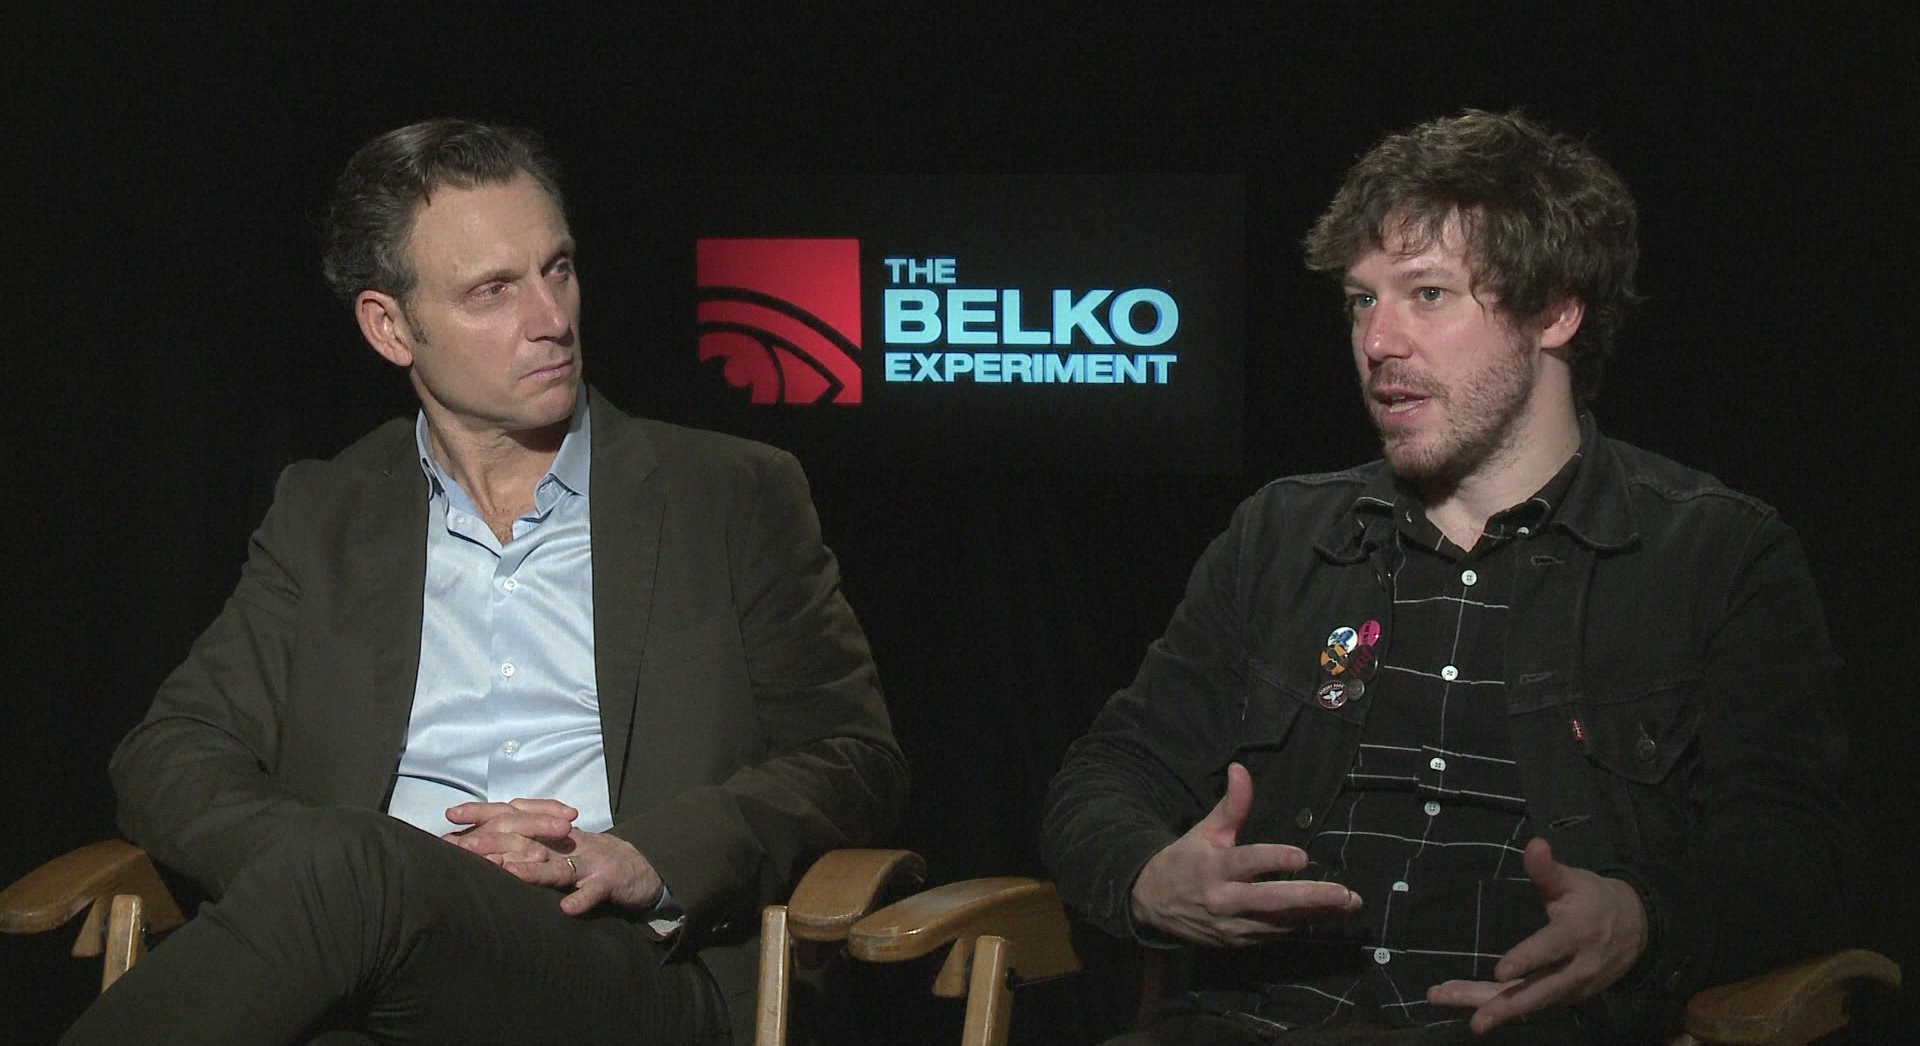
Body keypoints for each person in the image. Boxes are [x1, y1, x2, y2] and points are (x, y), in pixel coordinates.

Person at [63, 119, 907, 1045]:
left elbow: (853, 758)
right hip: (359, 968)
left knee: (358, 880)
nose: (552, 319)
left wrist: (645, 858)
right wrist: (374, 871)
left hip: (628, 972)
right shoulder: (328, 512)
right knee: (355, 895)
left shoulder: (730, 494)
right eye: (493, 291)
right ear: (391, 328)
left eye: (558, 269)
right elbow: (169, 754)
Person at [1041, 110, 1848, 1044]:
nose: (1378, 341)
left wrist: (1642, 920)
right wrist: (1149, 878)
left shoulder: (1714, 555)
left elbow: (1795, 850)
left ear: (1556, 313)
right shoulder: (1283, 535)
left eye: (1427, 294)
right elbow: (1111, 771)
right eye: (1361, 300)